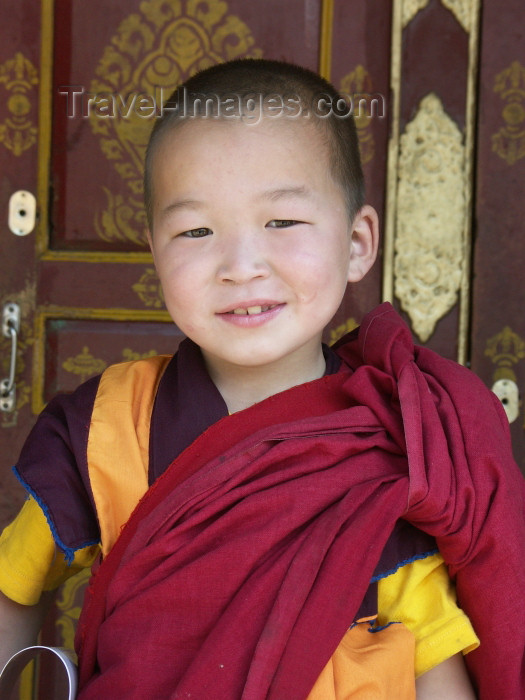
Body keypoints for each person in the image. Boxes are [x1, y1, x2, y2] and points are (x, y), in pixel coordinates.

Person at [0, 59, 523, 700]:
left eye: (282, 222)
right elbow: (13, 583)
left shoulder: (391, 435)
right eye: (195, 231)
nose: (241, 266)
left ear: (358, 243)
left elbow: (433, 650)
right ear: (155, 253)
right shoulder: (110, 424)